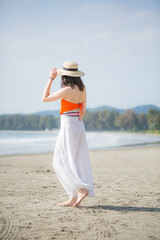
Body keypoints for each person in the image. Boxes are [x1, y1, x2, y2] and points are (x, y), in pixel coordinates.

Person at [42, 61, 95, 207]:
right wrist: (76, 121)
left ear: (65, 77)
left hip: (68, 125)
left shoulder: (67, 90)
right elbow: (83, 110)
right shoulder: (82, 89)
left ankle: (80, 189)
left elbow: (44, 98)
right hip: (78, 124)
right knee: (74, 159)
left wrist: (51, 78)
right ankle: (72, 197)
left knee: (60, 161)